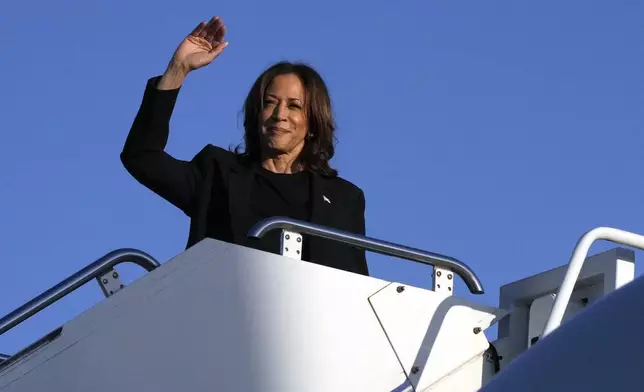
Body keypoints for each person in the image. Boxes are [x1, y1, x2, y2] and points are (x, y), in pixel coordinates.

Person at [121, 16, 369, 276]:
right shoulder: (216, 174)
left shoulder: (345, 198)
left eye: (294, 106)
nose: (279, 114)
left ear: (313, 122)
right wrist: (177, 69)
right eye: (270, 103)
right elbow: (142, 157)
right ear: (256, 113)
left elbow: (355, 282)